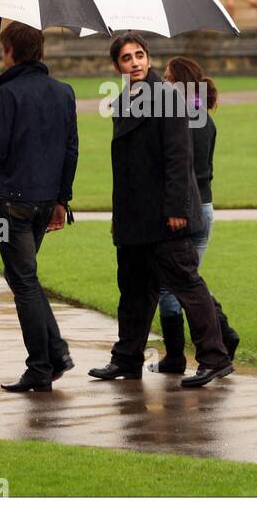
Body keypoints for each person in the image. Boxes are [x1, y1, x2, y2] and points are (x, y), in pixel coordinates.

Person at [87, 33, 235, 388]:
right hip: (134, 219)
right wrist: (118, 219)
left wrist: (177, 209)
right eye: (126, 58)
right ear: (117, 66)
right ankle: (126, 358)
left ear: (148, 58)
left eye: (139, 55)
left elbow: (178, 158)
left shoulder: (168, 96)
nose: (135, 62)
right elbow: (124, 168)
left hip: (164, 217)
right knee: (134, 292)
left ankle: (214, 358)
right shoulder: (123, 101)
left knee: (186, 284)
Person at [0, 22, 78, 392]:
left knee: (23, 282)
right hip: (44, 203)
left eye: (5, 49)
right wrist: (62, 200)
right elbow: (71, 151)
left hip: (13, 206)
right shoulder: (64, 93)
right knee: (25, 278)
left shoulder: (10, 95)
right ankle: (56, 353)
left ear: (11, 52)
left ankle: (41, 366)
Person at [148, 56, 240, 374]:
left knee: (171, 284)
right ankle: (226, 334)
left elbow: (175, 169)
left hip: (185, 210)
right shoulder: (203, 117)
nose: (164, 84)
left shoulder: (180, 119)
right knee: (190, 279)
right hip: (204, 208)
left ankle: (176, 356)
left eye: (170, 79)